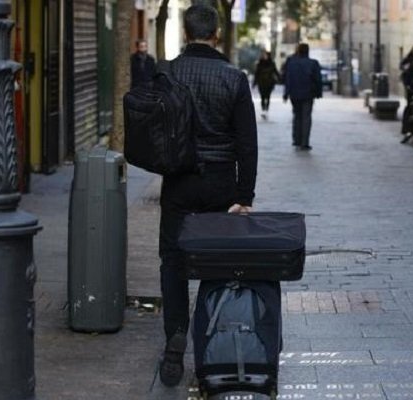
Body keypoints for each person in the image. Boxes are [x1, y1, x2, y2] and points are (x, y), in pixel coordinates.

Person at [156, 4, 257, 387]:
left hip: (179, 181)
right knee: (218, 261)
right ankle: (213, 340)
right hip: (220, 182)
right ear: (216, 34)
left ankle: (175, 340)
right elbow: (247, 143)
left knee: (173, 259)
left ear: (185, 32)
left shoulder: (168, 72)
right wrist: (244, 194)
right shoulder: (233, 77)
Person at [283, 43, 322, 150]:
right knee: (306, 117)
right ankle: (304, 142)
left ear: (298, 51)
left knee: (297, 116)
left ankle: (296, 140)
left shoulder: (291, 63)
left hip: (294, 94)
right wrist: (319, 93)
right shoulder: (313, 63)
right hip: (308, 94)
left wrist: (286, 93)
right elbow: (318, 79)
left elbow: (288, 79)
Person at [253, 50, 281, 119]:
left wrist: (280, 78)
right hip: (261, 83)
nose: (264, 56)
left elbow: (275, 71)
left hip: (269, 83)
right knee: (262, 97)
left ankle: (266, 110)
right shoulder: (260, 63)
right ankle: (263, 110)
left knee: (268, 97)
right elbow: (257, 73)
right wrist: (255, 82)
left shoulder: (271, 63)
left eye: (266, 55)